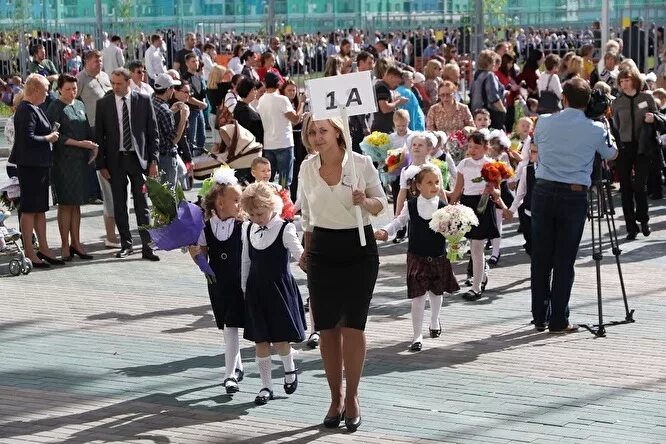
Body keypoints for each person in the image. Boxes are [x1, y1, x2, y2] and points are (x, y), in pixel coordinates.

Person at [298, 117, 387, 432]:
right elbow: (306, 216)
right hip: (322, 248)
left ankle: (352, 397)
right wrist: (306, 250)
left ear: (338, 131)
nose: (317, 136)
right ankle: (334, 398)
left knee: (352, 326)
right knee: (326, 328)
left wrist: (366, 200)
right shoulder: (307, 168)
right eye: (312, 131)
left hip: (358, 248)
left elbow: (382, 206)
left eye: (323, 130)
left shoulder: (361, 163)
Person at [530, 78, 617, 333]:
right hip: (573, 194)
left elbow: (539, 144)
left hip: (544, 190)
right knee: (564, 260)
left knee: (541, 258)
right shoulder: (595, 128)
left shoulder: (543, 122)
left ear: (563, 99)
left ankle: (539, 316)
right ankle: (558, 319)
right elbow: (612, 154)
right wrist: (603, 123)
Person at [375, 165, 459, 352]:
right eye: (429, 182)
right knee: (417, 297)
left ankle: (435, 320)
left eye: (437, 182)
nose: (434, 186)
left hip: (437, 255)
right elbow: (400, 221)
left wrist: (455, 237)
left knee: (437, 293)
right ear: (418, 185)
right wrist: (385, 231)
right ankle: (416, 335)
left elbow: (452, 231)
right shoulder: (411, 205)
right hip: (416, 256)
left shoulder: (444, 207)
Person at [240, 182, 306, 406]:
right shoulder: (248, 228)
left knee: (279, 338)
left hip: (278, 289)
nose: (256, 218)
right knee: (260, 340)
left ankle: (289, 368)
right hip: (256, 290)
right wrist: (244, 287)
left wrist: (306, 261)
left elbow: (299, 253)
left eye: (259, 213)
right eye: (251, 214)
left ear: (271, 206)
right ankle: (266, 385)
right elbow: (246, 260)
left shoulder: (285, 228)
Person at [95, 67, 160, 261]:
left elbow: (152, 133)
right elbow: (99, 136)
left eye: (119, 83)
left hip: (138, 159)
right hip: (115, 161)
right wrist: (101, 165)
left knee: (142, 204)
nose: (115, 87)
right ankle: (126, 245)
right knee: (119, 203)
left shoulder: (143, 100)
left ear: (128, 81)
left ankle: (147, 247)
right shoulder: (104, 104)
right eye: (112, 83)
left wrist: (153, 160)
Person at [192, 168, 246, 394]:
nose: (240, 205)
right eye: (236, 200)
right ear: (220, 203)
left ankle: (229, 375)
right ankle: (238, 366)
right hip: (217, 282)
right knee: (226, 325)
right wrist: (197, 256)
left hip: (238, 281)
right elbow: (200, 252)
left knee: (232, 325)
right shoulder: (206, 226)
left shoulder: (242, 226)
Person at [449, 131, 509, 300]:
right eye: (470, 147)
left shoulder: (490, 164)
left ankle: (476, 288)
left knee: (477, 247)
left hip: (483, 204)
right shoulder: (464, 164)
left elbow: (497, 191)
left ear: (485, 148)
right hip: (468, 205)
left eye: (476, 147)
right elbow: (457, 190)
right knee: (474, 246)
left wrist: (494, 193)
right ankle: (482, 276)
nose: (472, 150)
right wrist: (450, 208)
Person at [10, 74, 62, 268]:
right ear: (35, 90)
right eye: (45, 90)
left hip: (39, 165)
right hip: (30, 166)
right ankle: (30, 252)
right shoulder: (26, 109)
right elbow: (28, 138)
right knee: (30, 209)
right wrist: (48, 138)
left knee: (40, 209)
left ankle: (45, 248)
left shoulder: (35, 108)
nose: (47, 94)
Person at [46, 74, 98, 261]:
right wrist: (80, 144)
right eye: (68, 89)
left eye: (74, 89)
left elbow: (86, 130)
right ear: (59, 89)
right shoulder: (55, 107)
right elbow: (55, 135)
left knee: (76, 204)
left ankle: (76, 242)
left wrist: (92, 147)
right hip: (63, 162)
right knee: (66, 204)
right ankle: (64, 245)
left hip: (81, 162)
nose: (72, 92)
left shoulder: (80, 105)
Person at [612, 66, 659, 240]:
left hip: (643, 146)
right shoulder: (617, 102)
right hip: (624, 146)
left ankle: (643, 219)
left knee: (640, 185)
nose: (624, 84)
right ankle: (631, 226)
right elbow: (615, 125)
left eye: (627, 80)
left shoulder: (646, 97)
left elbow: (658, 117)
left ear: (635, 80)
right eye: (621, 81)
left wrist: (653, 118)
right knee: (625, 187)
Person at [256, 72, 302, 188]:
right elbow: (295, 119)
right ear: (278, 84)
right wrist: (301, 104)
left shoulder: (261, 100)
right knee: (284, 182)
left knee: (268, 181)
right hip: (284, 144)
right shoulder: (282, 99)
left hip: (269, 145)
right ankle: (284, 205)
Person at [152, 73, 188, 190]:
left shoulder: (151, 102)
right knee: (168, 194)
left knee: (159, 194)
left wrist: (172, 110)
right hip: (166, 157)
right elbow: (174, 139)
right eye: (172, 88)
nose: (173, 91)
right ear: (167, 90)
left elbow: (158, 123)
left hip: (155, 156)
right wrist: (183, 118)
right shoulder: (165, 111)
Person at [470, 50, 506, 130]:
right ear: (490, 62)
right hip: (490, 114)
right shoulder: (489, 75)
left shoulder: (476, 76)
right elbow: (493, 97)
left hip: (476, 113)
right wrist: (503, 110)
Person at [182, 53, 208, 157]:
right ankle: (190, 158)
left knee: (202, 136)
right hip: (191, 111)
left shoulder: (198, 77)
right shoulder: (185, 78)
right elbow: (188, 97)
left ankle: (200, 158)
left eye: (197, 61)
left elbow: (202, 93)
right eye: (193, 61)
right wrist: (201, 104)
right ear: (187, 63)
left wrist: (202, 103)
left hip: (199, 110)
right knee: (191, 138)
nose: (196, 63)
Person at [371, 66, 409, 133]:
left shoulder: (382, 86)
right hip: (382, 129)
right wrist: (399, 102)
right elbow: (384, 108)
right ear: (391, 77)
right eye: (397, 82)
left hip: (384, 128)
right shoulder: (382, 87)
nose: (397, 85)